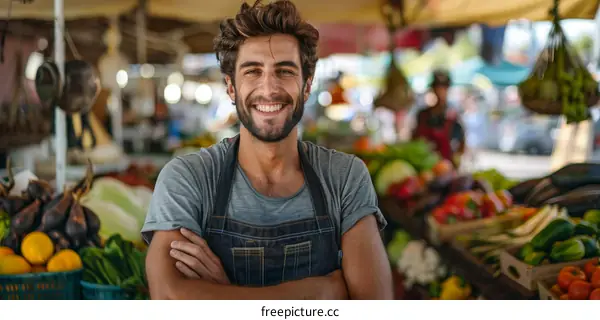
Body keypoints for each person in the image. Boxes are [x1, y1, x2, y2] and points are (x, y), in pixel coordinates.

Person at [142, 0, 393, 300]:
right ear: (231, 87)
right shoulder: (189, 178)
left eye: (285, 71)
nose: (269, 88)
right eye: (252, 71)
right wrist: (321, 292)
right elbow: (169, 299)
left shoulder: (344, 177)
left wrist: (223, 294)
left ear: (307, 85)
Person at [412, 70, 465, 167]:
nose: (440, 91)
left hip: (446, 167)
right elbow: (414, 140)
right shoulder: (423, 115)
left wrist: (456, 161)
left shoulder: (454, 116)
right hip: (424, 167)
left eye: (443, 88)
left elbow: (461, 144)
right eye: (437, 88)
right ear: (433, 89)